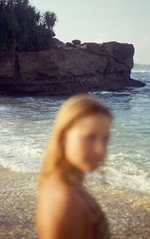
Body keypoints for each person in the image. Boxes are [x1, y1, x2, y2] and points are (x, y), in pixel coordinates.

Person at [36, 94, 112, 239]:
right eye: (90, 137)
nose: (101, 149)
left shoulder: (63, 181)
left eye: (105, 138)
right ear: (63, 137)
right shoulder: (65, 199)